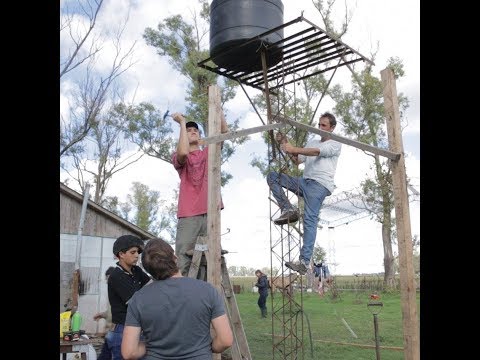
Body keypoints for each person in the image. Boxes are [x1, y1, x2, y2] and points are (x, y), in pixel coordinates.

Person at [121, 237, 233, 360]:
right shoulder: (207, 290)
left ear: (148, 269)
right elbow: (225, 340)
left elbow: (129, 352)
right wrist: (208, 347)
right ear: (175, 258)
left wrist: (151, 345)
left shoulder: (138, 299)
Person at [267, 112, 342, 275]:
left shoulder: (335, 143)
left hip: (320, 185)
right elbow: (297, 159)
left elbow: (315, 152)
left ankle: (304, 262)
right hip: (304, 181)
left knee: (309, 219)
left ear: (332, 127)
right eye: (319, 125)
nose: (321, 128)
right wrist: (285, 143)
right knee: (273, 176)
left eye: (324, 125)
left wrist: (293, 148)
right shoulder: (313, 141)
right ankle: (288, 209)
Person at [171, 112, 228, 277]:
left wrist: (218, 106)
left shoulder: (208, 152)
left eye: (195, 130)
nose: (193, 131)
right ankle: (182, 298)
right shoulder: (179, 156)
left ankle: (205, 298)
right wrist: (182, 123)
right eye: (189, 130)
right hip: (189, 215)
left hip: (211, 213)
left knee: (211, 261)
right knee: (184, 259)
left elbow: (224, 133)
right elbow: (182, 153)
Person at [107, 235, 151, 360]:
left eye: (138, 252)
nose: (137, 255)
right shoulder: (116, 276)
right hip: (123, 330)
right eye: (133, 252)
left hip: (138, 328)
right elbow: (136, 302)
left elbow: (152, 287)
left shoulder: (136, 271)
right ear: (121, 254)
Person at [93, 266, 115, 360]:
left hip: (116, 333)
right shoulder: (112, 292)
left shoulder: (121, 293)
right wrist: (102, 315)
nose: (107, 282)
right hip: (110, 333)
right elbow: (112, 311)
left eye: (108, 279)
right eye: (106, 280)